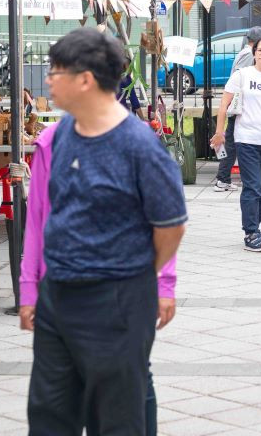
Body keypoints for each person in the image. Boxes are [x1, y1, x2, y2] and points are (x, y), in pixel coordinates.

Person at [24, 28, 187, 435]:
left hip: (116, 301)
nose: (48, 80)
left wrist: (137, 273)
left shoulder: (140, 146)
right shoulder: (61, 135)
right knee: (48, 415)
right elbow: (44, 214)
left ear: (85, 80)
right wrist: (33, 287)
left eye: (56, 71)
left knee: (115, 419)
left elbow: (171, 225)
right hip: (58, 296)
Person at [212, 36, 261, 251]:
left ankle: (256, 228)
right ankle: (251, 232)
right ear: (254, 53)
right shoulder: (242, 75)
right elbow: (224, 104)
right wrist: (219, 132)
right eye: (260, 50)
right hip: (246, 139)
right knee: (253, 187)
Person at [213, 26, 261, 192]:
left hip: (238, 106)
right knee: (232, 144)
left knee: (232, 144)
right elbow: (242, 80)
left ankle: (223, 179)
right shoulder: (249, 54)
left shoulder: (244, 53)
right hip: (239, 107)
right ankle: (223, 179)